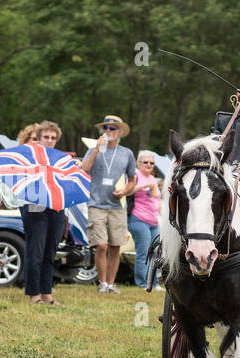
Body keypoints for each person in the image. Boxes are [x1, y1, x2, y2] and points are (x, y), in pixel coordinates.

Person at [80, 114, 136, 293]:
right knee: (101, 245)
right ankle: (102, 283)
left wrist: (125, 191)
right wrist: (96, 149)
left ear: (119, 132)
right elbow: (84, 168)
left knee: (115, 247)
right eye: (105, 128)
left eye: (112, 128)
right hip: (96, 204)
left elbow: (132, 180)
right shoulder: (93, 149)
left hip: (117, 206)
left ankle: (111, 284)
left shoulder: (127, 153)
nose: (108, 131)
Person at [22, 121, 68, 306]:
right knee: (36, 252)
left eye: (53, 138)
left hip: (56, 206)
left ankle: (47, 293)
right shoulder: (30, 157)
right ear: (39, 138)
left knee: (50, 252)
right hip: (35, 205)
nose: (49, 141)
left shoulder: (61, 159)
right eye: (46, 137)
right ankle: (34, 294)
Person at [129, 150, 163, 289]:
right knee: (143, 252)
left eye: (151, 163)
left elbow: (155, 197)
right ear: (139, 163)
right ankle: (142, 282)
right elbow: (127, 190)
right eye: (145, 162)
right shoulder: (135, 176)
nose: (149, 165)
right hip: (138, 219)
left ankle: (154, 283)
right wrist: (142, 186)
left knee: (155, 254)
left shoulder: (153, 178)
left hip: (154, 221)